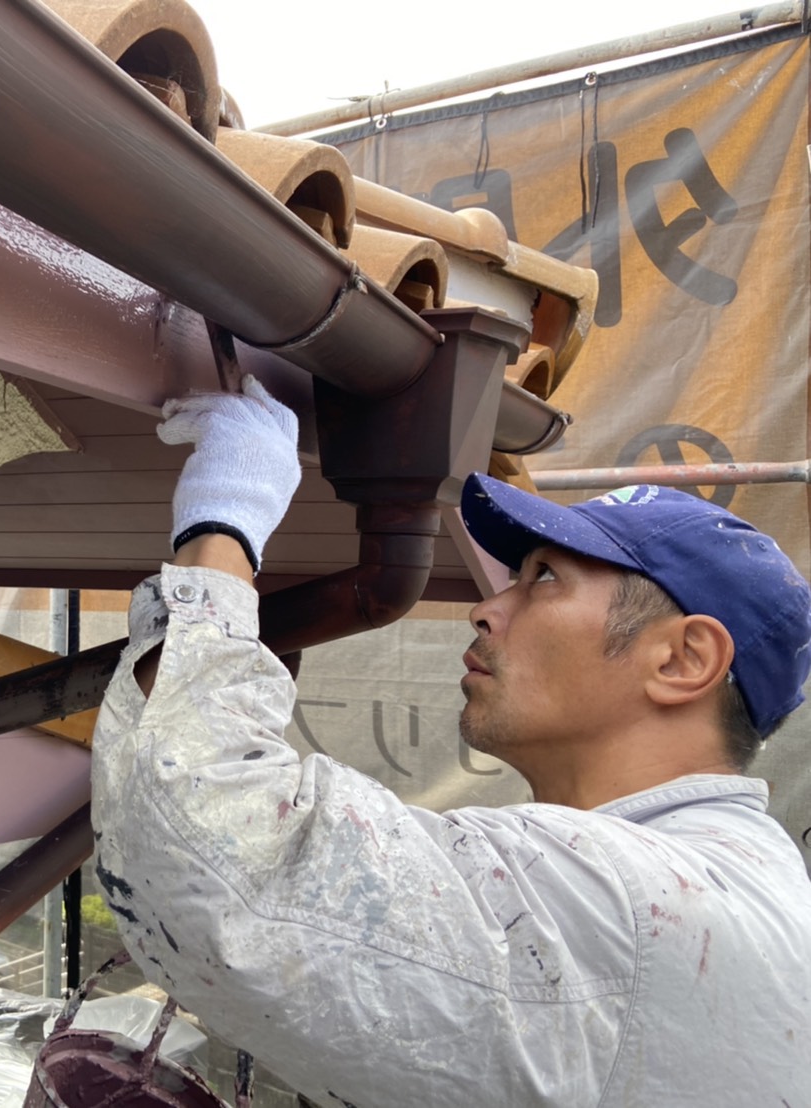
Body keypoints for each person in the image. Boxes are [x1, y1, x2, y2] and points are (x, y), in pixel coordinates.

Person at [90, 376, 811, 1107]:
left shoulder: (630, 901)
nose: (486, 609)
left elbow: (209, 836)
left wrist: (225, 521)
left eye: (544, 577)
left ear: (681, 661)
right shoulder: (750, 879)